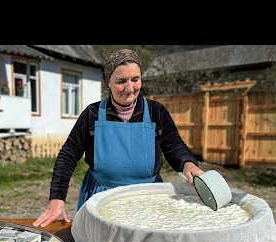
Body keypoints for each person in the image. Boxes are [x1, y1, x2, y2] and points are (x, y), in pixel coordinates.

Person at [33, 49, 204, 228]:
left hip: (148, 199)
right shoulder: (92, 114)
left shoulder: (156, 112)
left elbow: (174, 146)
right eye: (121, 81)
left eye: (135, 80)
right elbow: (68, 155)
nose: (130, 88)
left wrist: (187, 163)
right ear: (108, 82)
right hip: (100, 199)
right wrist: (57, 199)